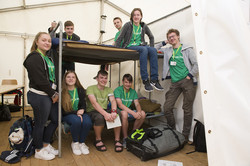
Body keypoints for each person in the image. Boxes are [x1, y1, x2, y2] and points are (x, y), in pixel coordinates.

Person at [155, 28, 199, 142]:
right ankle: (173, 131)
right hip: (174, 83)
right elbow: (154, 49)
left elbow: (196, 65)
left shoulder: (187, 49)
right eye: (169, 37)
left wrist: (189, 75)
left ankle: (184, 135)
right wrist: (164, 43)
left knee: (187, 109)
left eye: (173, 36)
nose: (172, 38)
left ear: (178, 36)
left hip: (187, 81)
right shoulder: (168, 50)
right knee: (167, 107)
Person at [23, 32, 59, 160]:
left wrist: (53, 93)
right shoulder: (34, 57)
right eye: (44, 40)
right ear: (37, 41)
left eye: (49, 41)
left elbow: (49, 78)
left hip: (48, 95)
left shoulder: (46, 57)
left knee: (55, 120)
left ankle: (45, 143)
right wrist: (53, 94)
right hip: (39, 95)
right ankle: (39, 150)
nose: (47, 43)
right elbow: (40, 80)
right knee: (40, 123)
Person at [115, 8, 163, 92]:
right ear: (132, 17)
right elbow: (120, 38)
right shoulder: (127, 25)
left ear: (141, 16)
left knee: (153, 50)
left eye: (138, 15)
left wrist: (151, 47)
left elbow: (151, 37)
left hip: (141, 45)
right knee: (144, 50)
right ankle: (145, 80)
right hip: (129, 46)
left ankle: (154, 79)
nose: (136, 17)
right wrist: (117, 51)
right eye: (134, 15)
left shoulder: (143, 26)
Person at [86, 70, 123, 152]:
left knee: (118, 113)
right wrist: (105, 114)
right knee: (99, 117)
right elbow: (94, 103)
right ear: (97, 79)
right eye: (101, 78)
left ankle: (117, 140)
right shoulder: (90, 88)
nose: (103, 80)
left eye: (105, 78)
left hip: (104, 110)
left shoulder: (108, 89)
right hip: (92, 111)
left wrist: (113, 111)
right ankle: (98, 140)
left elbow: (113, 101)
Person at [61, 71, 92, 155]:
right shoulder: (62, 92)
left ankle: (81, 143)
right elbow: (63, 111)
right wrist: (77, 113)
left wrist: (82, 110)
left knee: (88, 122)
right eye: (68, 77)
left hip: (79, 113)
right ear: (65, 79)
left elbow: (83, 105)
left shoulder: (80, 90)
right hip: (67, 114)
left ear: (76, 79)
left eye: (73, 77)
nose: (71, 79)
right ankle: (75, 143)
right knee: (76, 121)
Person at [114, 74, 146, 148]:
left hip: (129, 110)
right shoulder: (118, 90)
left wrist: (138, 112)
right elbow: (120, 105)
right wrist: (133, 113)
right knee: (124, 114)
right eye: (126, 82)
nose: (128, 84)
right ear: (122, 82)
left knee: (143, 113)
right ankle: (125, 138)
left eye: (130, 82)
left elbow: (137, 103)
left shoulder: (133, 91)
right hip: (119, 111)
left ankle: (132, 134)